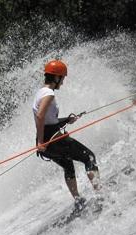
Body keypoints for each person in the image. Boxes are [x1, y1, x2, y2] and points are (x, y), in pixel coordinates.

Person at [32, 60, 101, 209]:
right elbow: (40, 116)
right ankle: (101, 195)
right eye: (62, 78)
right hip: (52, 140)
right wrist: (41, 142)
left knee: (68, 166)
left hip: (48, 142)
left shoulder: (40, 92)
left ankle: (78, 201)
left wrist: (66, 120)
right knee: (89, 158)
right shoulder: (49, 93)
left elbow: (48, 120)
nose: (62, 83)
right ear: (56, 78)